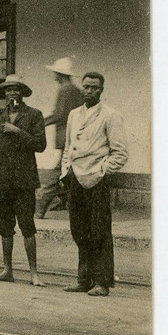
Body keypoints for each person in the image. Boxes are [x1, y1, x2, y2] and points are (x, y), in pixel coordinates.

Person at [61, 72, 129, 297]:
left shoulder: (110, 115)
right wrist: (66, 171)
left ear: (101, 90)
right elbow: (68, 147)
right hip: (75, 179)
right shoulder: (74, 114)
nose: (89, 91)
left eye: (94, 88)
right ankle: (84, 279)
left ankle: (101, 282)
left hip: (97, 180)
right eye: (86, 87)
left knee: (99, 231)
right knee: (79, 230)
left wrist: (101, 171)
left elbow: (120, 153)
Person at [0, 74, 47, 286]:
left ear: (23, 92)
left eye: (16, 89)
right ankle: (7, 270)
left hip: (24, 180)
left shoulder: (34, 115)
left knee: (27, 225)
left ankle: (34, 273)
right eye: (8, 89)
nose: (12, 93)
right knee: (5, 226)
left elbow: (40, 144)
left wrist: (17, 131)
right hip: (2, 179)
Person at [37, 58, 84, 218]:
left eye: (55, 73)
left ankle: (40, 207)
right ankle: (62, 201)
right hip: (75, 137)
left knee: (59, 171)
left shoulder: (65, 90)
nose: (54, 76)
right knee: (70, 171)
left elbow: (60, 114)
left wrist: (40, 123)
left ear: (60, 74)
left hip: (66, 137)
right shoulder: (75, 90)